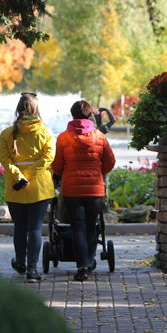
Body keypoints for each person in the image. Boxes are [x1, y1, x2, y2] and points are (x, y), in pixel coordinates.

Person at [51, 100, 116, 281]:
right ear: (89, 115)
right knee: (91, 227)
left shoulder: (63, 137)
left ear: (72, 116)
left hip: (72, 189)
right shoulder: (99, 136)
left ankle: (82, 267)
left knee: (77, 227)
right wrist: (98, 172)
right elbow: (110, 161)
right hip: (95, 189)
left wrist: (62, 172)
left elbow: (57, 165)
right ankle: (89, 260)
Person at [0, 92, 55, 283]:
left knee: (20, 228)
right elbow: (48, 159)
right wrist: (29, 176)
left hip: (15, 188)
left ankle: (20, 263)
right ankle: (32, 270)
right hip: (40, 188)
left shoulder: (6, 134)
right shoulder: (45, 132)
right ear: (36, 109)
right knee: (35, 229)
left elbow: (5, 160)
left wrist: (19, 176)